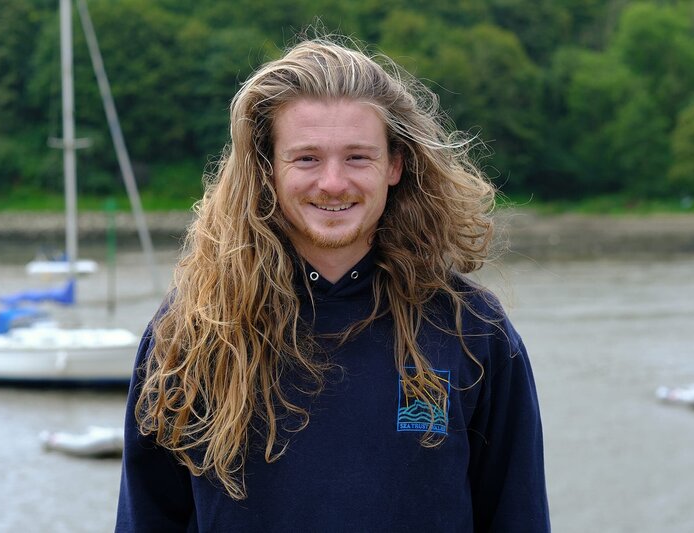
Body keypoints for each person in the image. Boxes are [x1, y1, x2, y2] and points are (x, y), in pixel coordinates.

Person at [116, 36, 550, 532]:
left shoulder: (472, 329)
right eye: (306, 158)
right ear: (267, 170)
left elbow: (519, 518)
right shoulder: (192, 331)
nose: (333, 183)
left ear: (395, 165)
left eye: (358, 157)